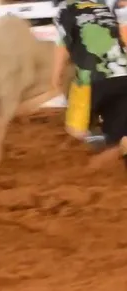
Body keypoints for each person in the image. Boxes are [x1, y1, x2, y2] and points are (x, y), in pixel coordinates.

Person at [51, 0, 127, 168]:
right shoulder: (103, 9)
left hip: (90, 79)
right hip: (123, 75)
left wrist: (56, 76)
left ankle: (97, 141)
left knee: (75, 129)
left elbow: (62, 44)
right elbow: (122, 37)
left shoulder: (65, 9)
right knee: (122, 135)